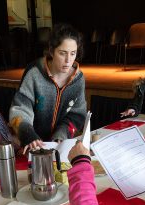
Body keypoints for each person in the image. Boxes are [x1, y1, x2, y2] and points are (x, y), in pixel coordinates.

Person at [9, 23, 87, 152]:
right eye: (62, 53)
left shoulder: (78, 79)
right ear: (51, 51)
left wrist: (61, 135)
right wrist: (28, 134)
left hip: (59, 145)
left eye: (73, 53)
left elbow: (77, 115)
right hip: (31, 144)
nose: (68, 60)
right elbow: (20, 108)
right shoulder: (34, 73)